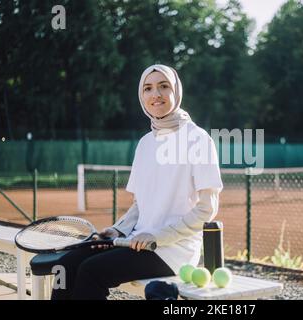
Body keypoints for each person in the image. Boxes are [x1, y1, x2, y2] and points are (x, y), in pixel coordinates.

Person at [51, 64, 223, 300]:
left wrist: (158, 237)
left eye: (164, 86)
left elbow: (207, 209)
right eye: (148, 88)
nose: (156, 94)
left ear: (176, 92)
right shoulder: (144, 143)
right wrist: (117, 229)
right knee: (67, 264)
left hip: (172, 251)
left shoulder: (199, 140)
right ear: (141, 96)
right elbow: (140, 205)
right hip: (136, 242)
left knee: (91, 271)